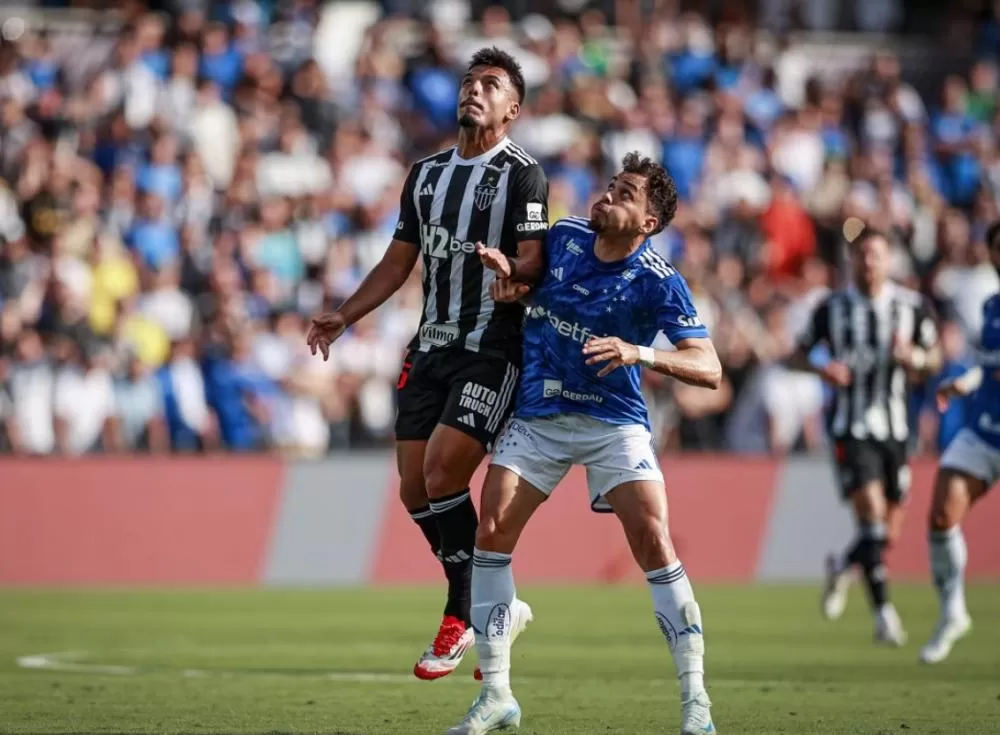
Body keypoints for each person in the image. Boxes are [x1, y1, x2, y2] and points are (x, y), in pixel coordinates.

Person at [446, 152, 721, 735]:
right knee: (490, 531)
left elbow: (710, 366)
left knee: (653, 540)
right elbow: (528, 284)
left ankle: (695, 700)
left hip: (613, 423)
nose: (609, 195)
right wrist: (511, 280)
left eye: (626, 193)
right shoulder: (566, 236)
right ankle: (496, 694)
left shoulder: (657, 280)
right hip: (541, 413)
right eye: (611, 185)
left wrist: (638, 351)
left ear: (648, 222)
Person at [306, 47, 549, 680]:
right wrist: (345, 313)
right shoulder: (426, 173)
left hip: (492, 348)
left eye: (490, 85)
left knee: (444, 472)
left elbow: (536, 261)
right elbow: (398, 260)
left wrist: (512, 272)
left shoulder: (524, 176)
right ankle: (500, 602)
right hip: (430, 346)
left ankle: (462, 611)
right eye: (470, 82)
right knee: (415, 487)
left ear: (512, 108)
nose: (474, 90)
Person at [787, 228, 941, 646]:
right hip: (852, 430)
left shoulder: (911, 307)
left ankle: (841, 566)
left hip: (897, 431)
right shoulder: (832, 308)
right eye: (861, 255)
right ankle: (885, 616)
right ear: (851, 261)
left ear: (889, 261)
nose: (868, 262)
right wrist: (823, 369)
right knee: (870, 518)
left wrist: (916, 358)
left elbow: (935, 358)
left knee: (885, 535)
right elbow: (795, 355)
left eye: (875, 254)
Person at [918, 221, 1000, 664]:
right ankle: (953, 612)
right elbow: (988, 368)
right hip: (987, 428)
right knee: (942, 510)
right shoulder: (991, 306)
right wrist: (964, 383)